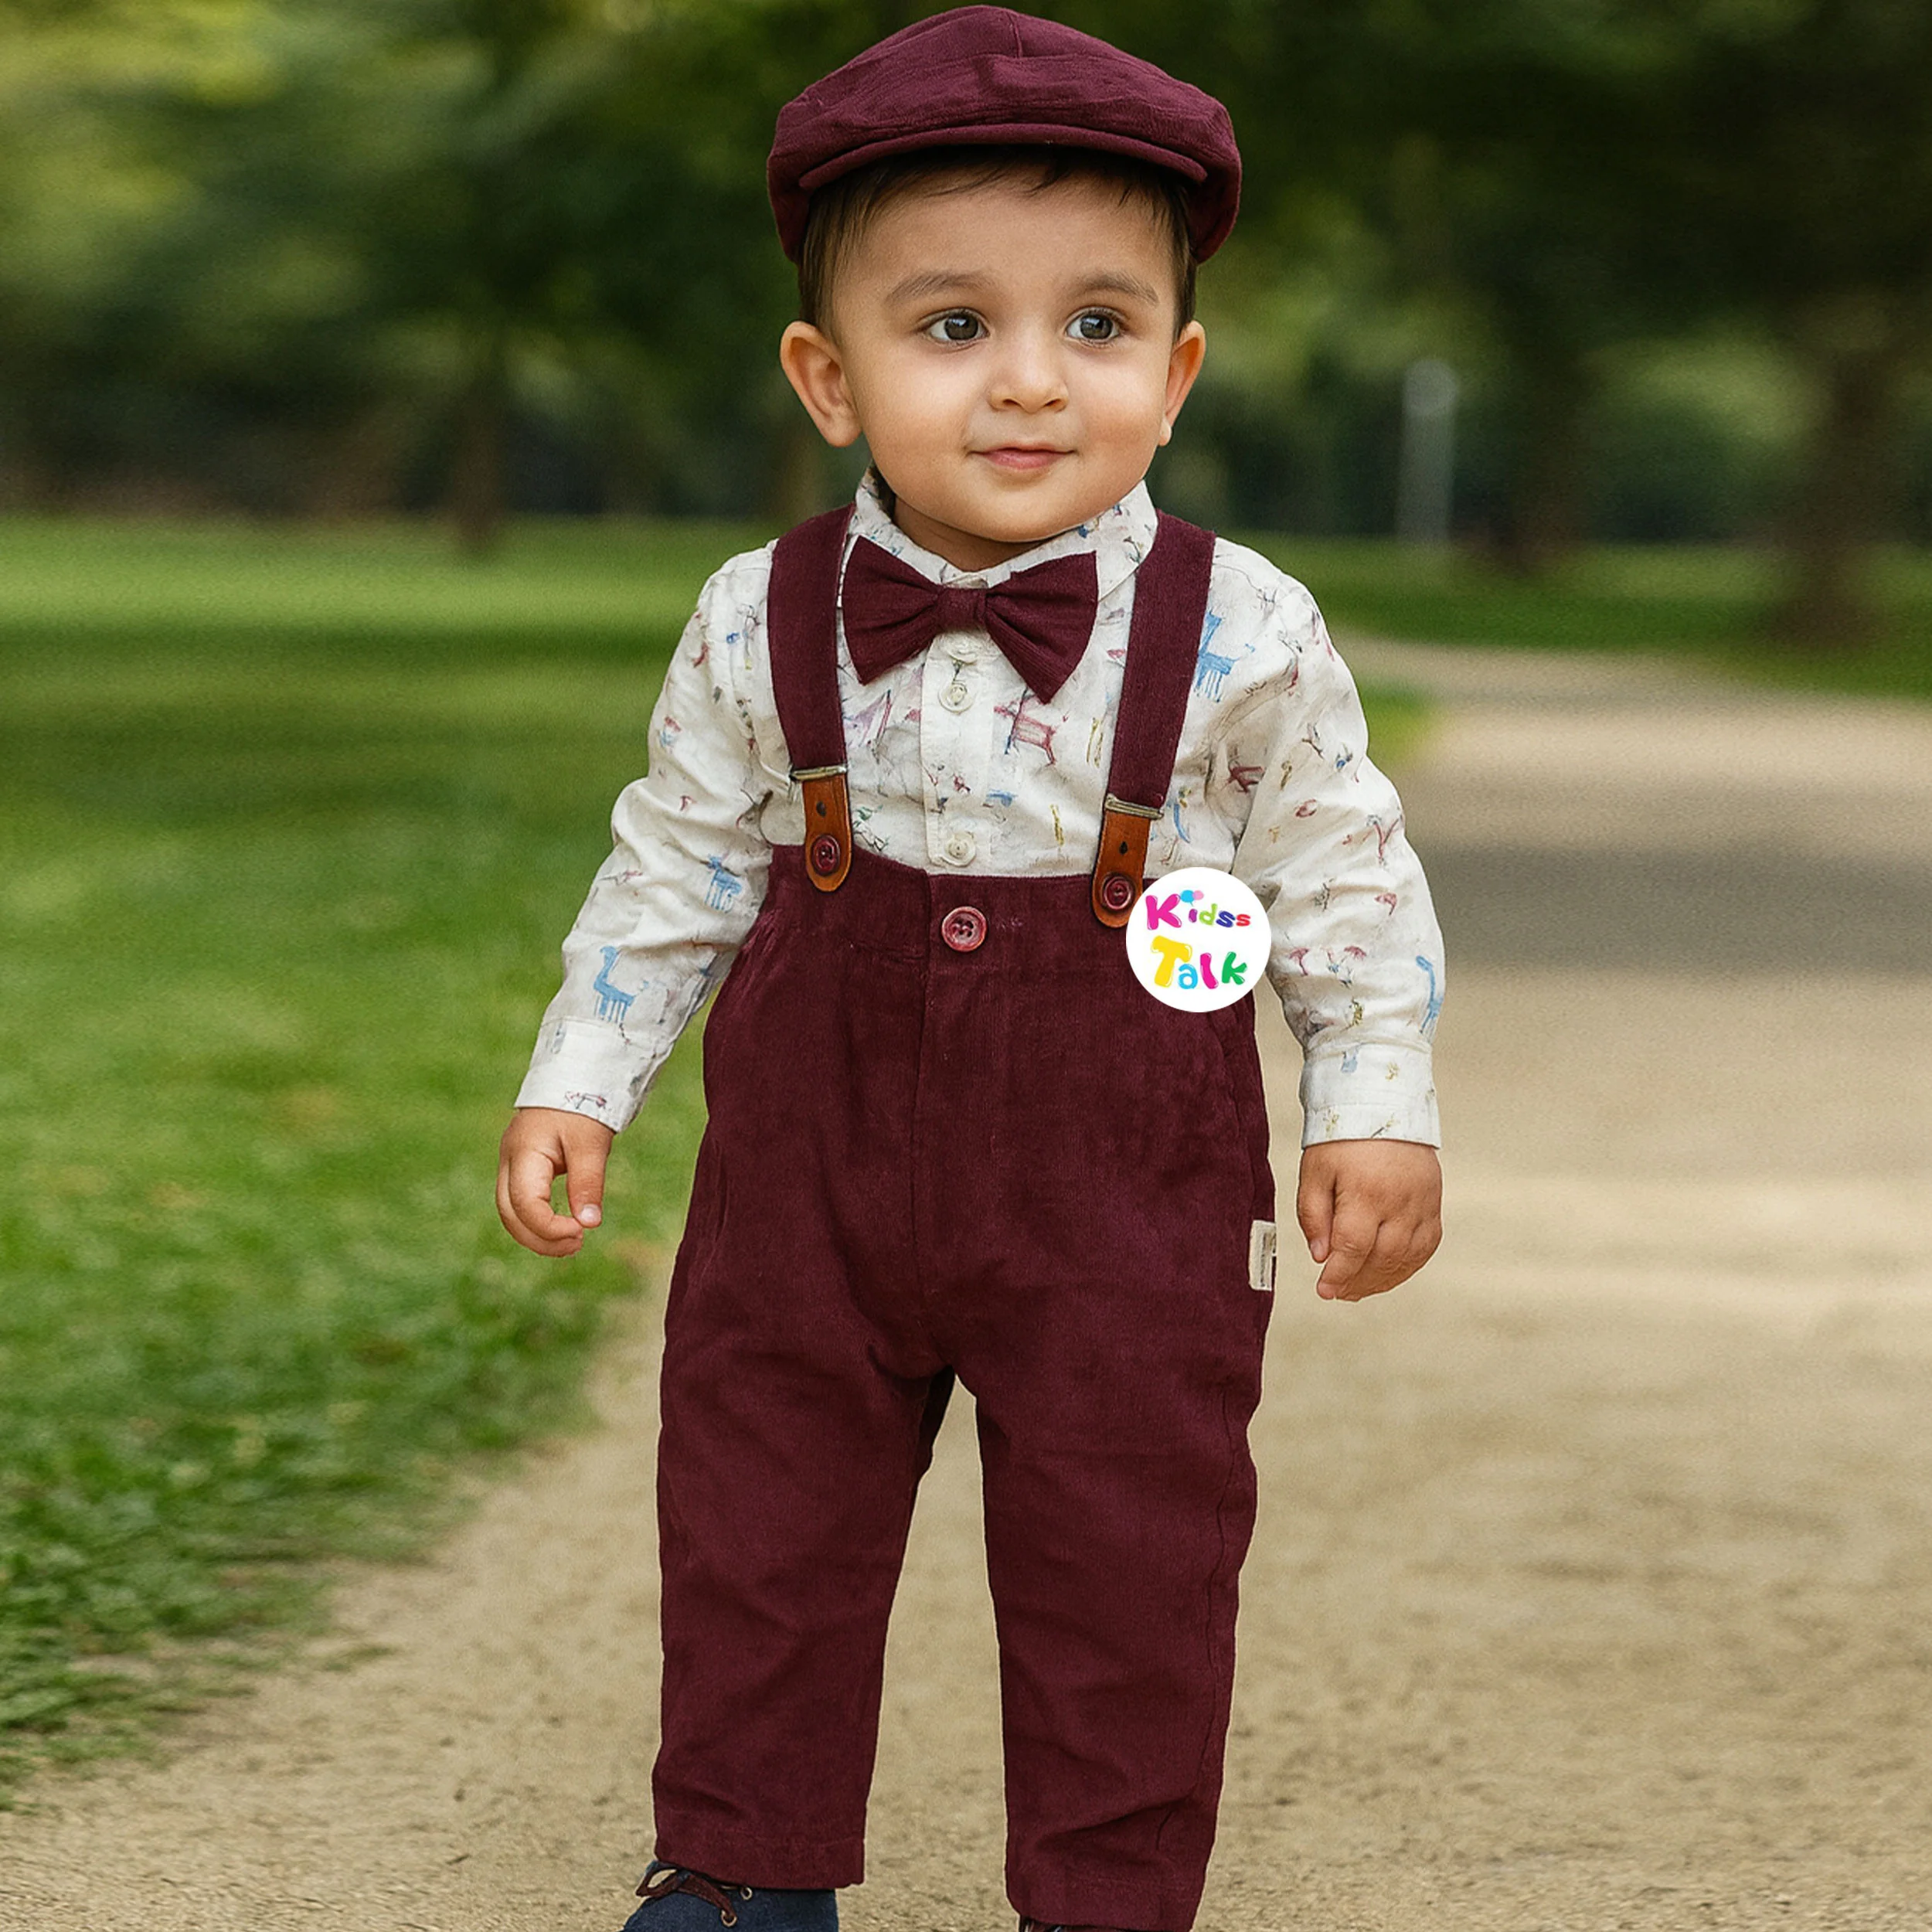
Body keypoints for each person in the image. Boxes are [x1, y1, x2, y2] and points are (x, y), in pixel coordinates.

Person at [495, 10, 1444, 1931]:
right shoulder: (754, 615)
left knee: (1132, 1540)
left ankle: (1105, 1892)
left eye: (1095, 325)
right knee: (758, 1510)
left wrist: (1370, 1104)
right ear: (826, 377)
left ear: (1175, 372)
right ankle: (740, 1867)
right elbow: (675, 860)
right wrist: (578, 1076)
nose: (1027, 380)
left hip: (1125, 1174)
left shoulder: (1243, 626)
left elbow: (1339, 873)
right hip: (812, 1170)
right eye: (949, 326)